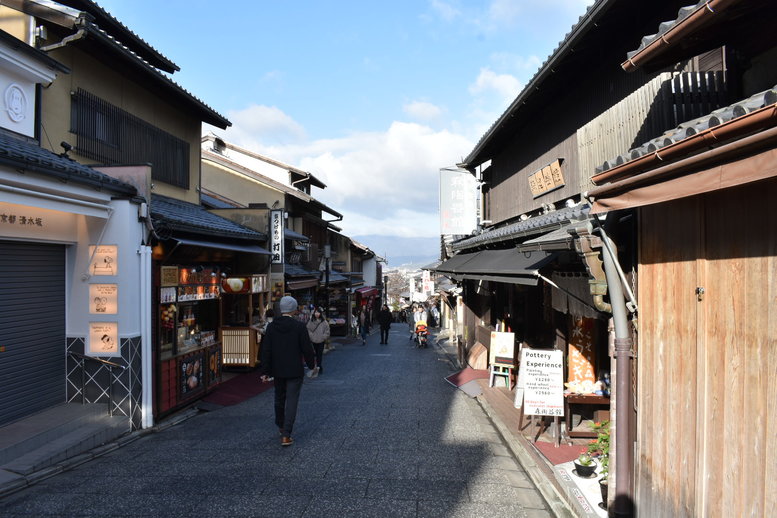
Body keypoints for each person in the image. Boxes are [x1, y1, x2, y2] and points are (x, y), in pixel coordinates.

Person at [260, 296, 315, 447]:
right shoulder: (299, 326)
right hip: (294, 369)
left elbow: (266, 350)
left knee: (279, 398)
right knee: (292, 400)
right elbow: (307, 349)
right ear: (294, 309)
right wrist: (312, 365)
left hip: (277, 369)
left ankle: (281, 425)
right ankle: (286, 434)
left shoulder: (272, 327)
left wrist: (265, 371)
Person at [306, 307, 330, 375]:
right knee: (316, 354)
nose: (317, 314)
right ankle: (319, 366)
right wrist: (311, 336)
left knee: (319, 354)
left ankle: (319, 367)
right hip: (314, 340)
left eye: (318, 312)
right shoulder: (311, 321)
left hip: (321, 340)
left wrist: (323, 337)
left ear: (320, 313)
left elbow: (327, 331)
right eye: (316, 312)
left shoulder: (324, 322)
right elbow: (308, 329)